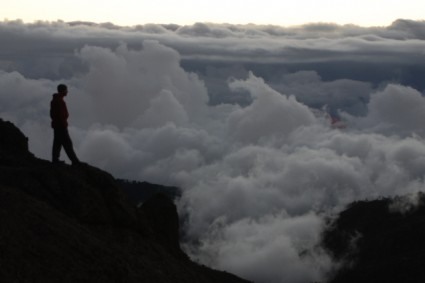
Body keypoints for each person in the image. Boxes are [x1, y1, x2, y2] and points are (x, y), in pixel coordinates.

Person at [50, 84, 81, 165]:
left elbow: (52, 114)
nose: (67, 92)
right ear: (63, 91)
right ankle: (75, 161)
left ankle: (55, 160)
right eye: (66, 90)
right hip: (61, 126)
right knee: (67, 144)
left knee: (57, 143)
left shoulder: (55, 100)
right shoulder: (59, 101)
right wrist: (64, 125)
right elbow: (61, 115)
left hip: (57, 126)